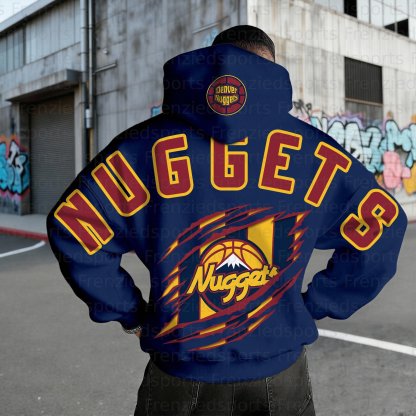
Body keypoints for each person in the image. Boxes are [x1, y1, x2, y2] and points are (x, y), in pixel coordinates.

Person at [46, 25, 407, 416]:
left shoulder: (138, 150)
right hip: (279, 374)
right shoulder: (315, 152)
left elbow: (73, 226)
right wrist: (318, 304)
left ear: (210, 62)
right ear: (271, 68)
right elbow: (383, 226)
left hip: (178, 374)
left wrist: (130, 313)